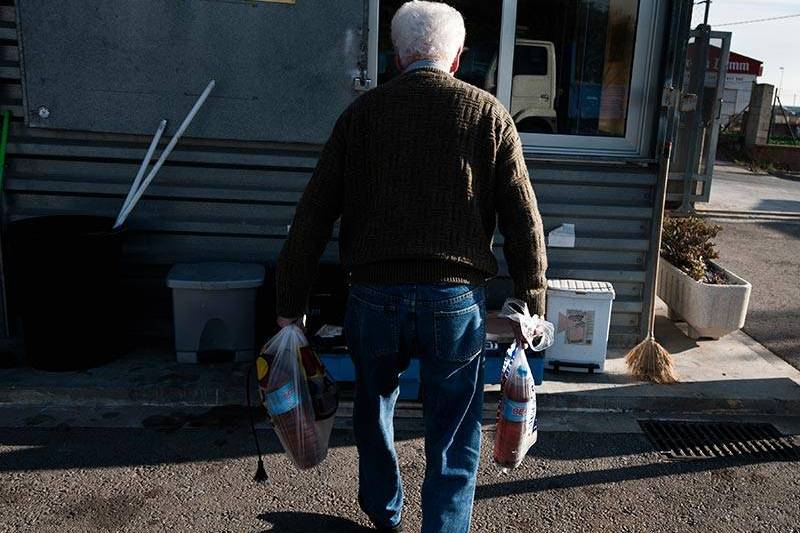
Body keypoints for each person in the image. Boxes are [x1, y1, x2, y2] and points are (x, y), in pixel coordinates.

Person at [274, 1, 547, 531]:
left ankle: (384, 513)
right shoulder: (489, 114)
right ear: (459, 57)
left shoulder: (360, 115)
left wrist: (290, 307)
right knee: (454, 425)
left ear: (396, 57)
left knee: (374, 409)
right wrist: (532, 303)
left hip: (372, 296)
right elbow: (524, 223)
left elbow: (311, 216)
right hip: (454, 302)